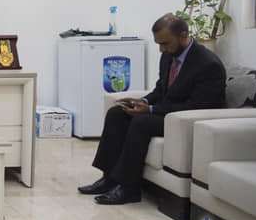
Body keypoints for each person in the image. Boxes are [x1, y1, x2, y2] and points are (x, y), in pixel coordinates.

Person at [78, 14, 226, 205]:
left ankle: (129, 189)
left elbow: (197, 107)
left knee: (141, 122)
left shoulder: (208, 64)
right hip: (167, 113)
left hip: (188, 120)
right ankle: (109, 179)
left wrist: (150, 109)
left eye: (165, 44)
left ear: (183, 36)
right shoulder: (168, 56)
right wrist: (142, 101)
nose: (161, 49)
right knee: (117, 114)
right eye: (158, 44)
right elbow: (160, 89)